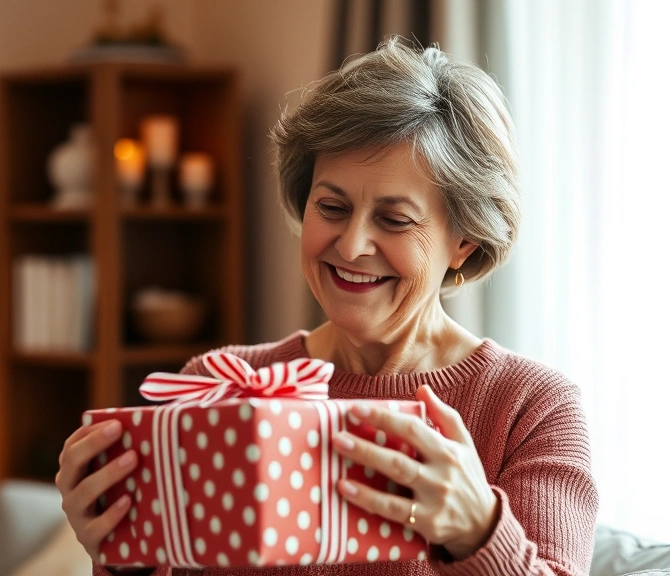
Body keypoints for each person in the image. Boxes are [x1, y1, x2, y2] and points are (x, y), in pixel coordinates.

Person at [56, 37, 598, 576]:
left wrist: (476, 531)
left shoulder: (532, 409)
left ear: (465, 241)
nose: (351, 244)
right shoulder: (222, 386)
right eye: (332, 207)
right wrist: (128, 556)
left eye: (394, 219)